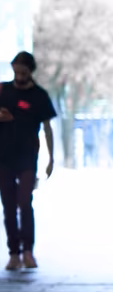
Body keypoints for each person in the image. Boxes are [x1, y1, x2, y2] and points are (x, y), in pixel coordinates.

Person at [0, 52, 57, 270]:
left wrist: (51, 158)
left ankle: (28, 252)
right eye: (16, 70)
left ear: (30, 71)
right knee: (8, 205)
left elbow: (47, 128)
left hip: (27, 158)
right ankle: (13, 253)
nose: (19, 75)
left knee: (24, 203)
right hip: (3, 158)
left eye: (23, 72)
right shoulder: (3, 90)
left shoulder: (39, 96)